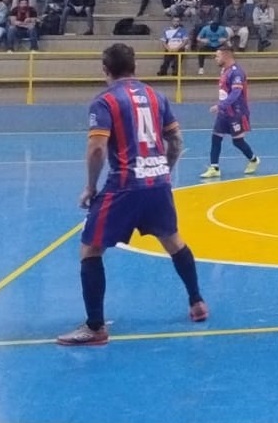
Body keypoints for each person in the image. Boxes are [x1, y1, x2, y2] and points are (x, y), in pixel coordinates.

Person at [57, 44, 208, 346]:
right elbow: (176, 141)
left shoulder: (105, 101)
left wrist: (90, 187)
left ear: (105, 69)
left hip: (124, 186)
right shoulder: (157, 96)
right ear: (134, 65)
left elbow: (98, 148)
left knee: (90, 250)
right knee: (174, 241)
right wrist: (164, 170)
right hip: (158, 183)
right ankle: (197, 302)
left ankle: (96, 328)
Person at [201, 44, 260, 179]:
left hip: (236, 113)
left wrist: (220, 105)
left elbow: (236, 93)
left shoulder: (237, 72)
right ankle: (214, 167)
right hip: (224, 112)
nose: (215, 59)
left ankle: (254, 159)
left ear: (226, 55)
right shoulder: (224, 71)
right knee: (216, 137)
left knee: (237, 141)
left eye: (217, 56)